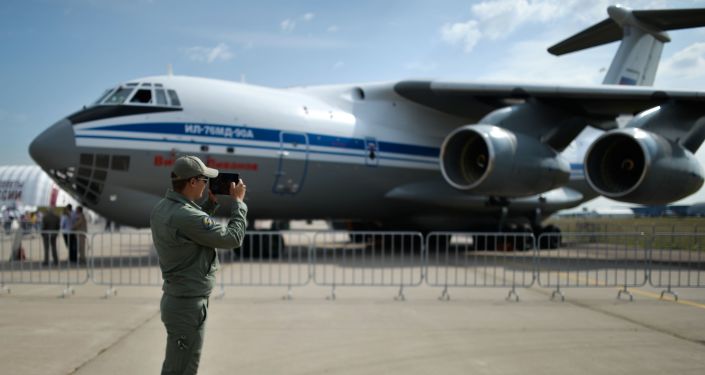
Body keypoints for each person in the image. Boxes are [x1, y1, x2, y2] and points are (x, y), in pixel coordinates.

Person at [150, 155, 248, 375]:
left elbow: (189, 228)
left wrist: (210, 205)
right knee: (183, 369)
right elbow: (232, 238)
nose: (207, 184)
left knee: (177, 365)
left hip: (177, 299)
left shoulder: (162, 208)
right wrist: (239, 205)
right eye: (204, 180)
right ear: (192, 182)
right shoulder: (187, 215)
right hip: (188, 305)